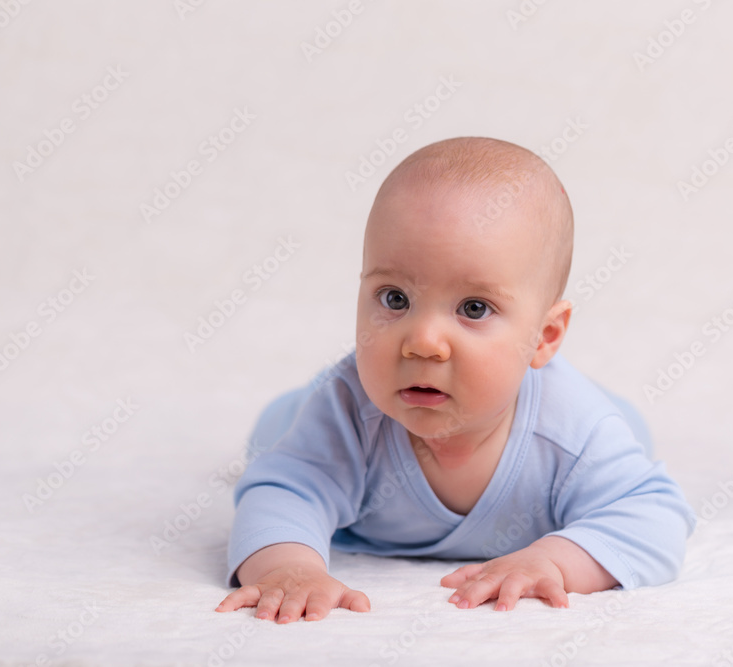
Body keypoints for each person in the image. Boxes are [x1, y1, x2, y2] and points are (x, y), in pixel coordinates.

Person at [216, 137, 695, 623]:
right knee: (274, 434)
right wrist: (289, 567)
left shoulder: (573, 432)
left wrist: (556, 559)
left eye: (474, 308)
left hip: (583, 409)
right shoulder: (347, 408)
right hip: (306, 410)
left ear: (544, 336)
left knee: (630, 431)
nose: (423, 342)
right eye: (395, 299)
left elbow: (655, 519)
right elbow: (283, 492)